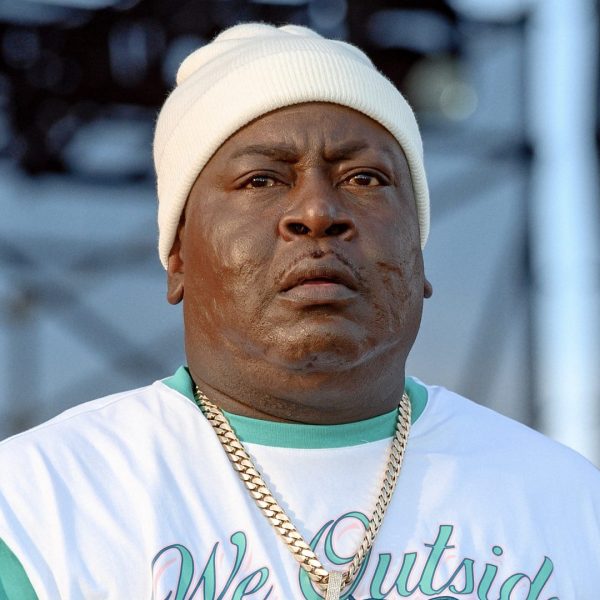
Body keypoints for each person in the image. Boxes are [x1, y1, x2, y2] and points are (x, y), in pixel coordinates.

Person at [0, 22, 598, 600]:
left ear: (419, 254)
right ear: (178, 257)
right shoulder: (36, 509)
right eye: (261, 180)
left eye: (365, 178)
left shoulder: (571, 507)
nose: (317, 213)